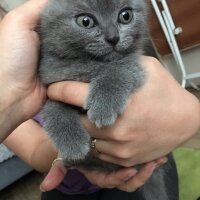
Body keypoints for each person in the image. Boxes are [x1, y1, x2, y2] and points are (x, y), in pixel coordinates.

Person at [0, 0, 200, 199]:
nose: (112, 35)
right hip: (73, 175)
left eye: (125, 17)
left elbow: (138, 72)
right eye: (86, 21)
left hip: (141, 157)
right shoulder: (40, 68)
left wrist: (189, 115)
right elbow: (41, 146)